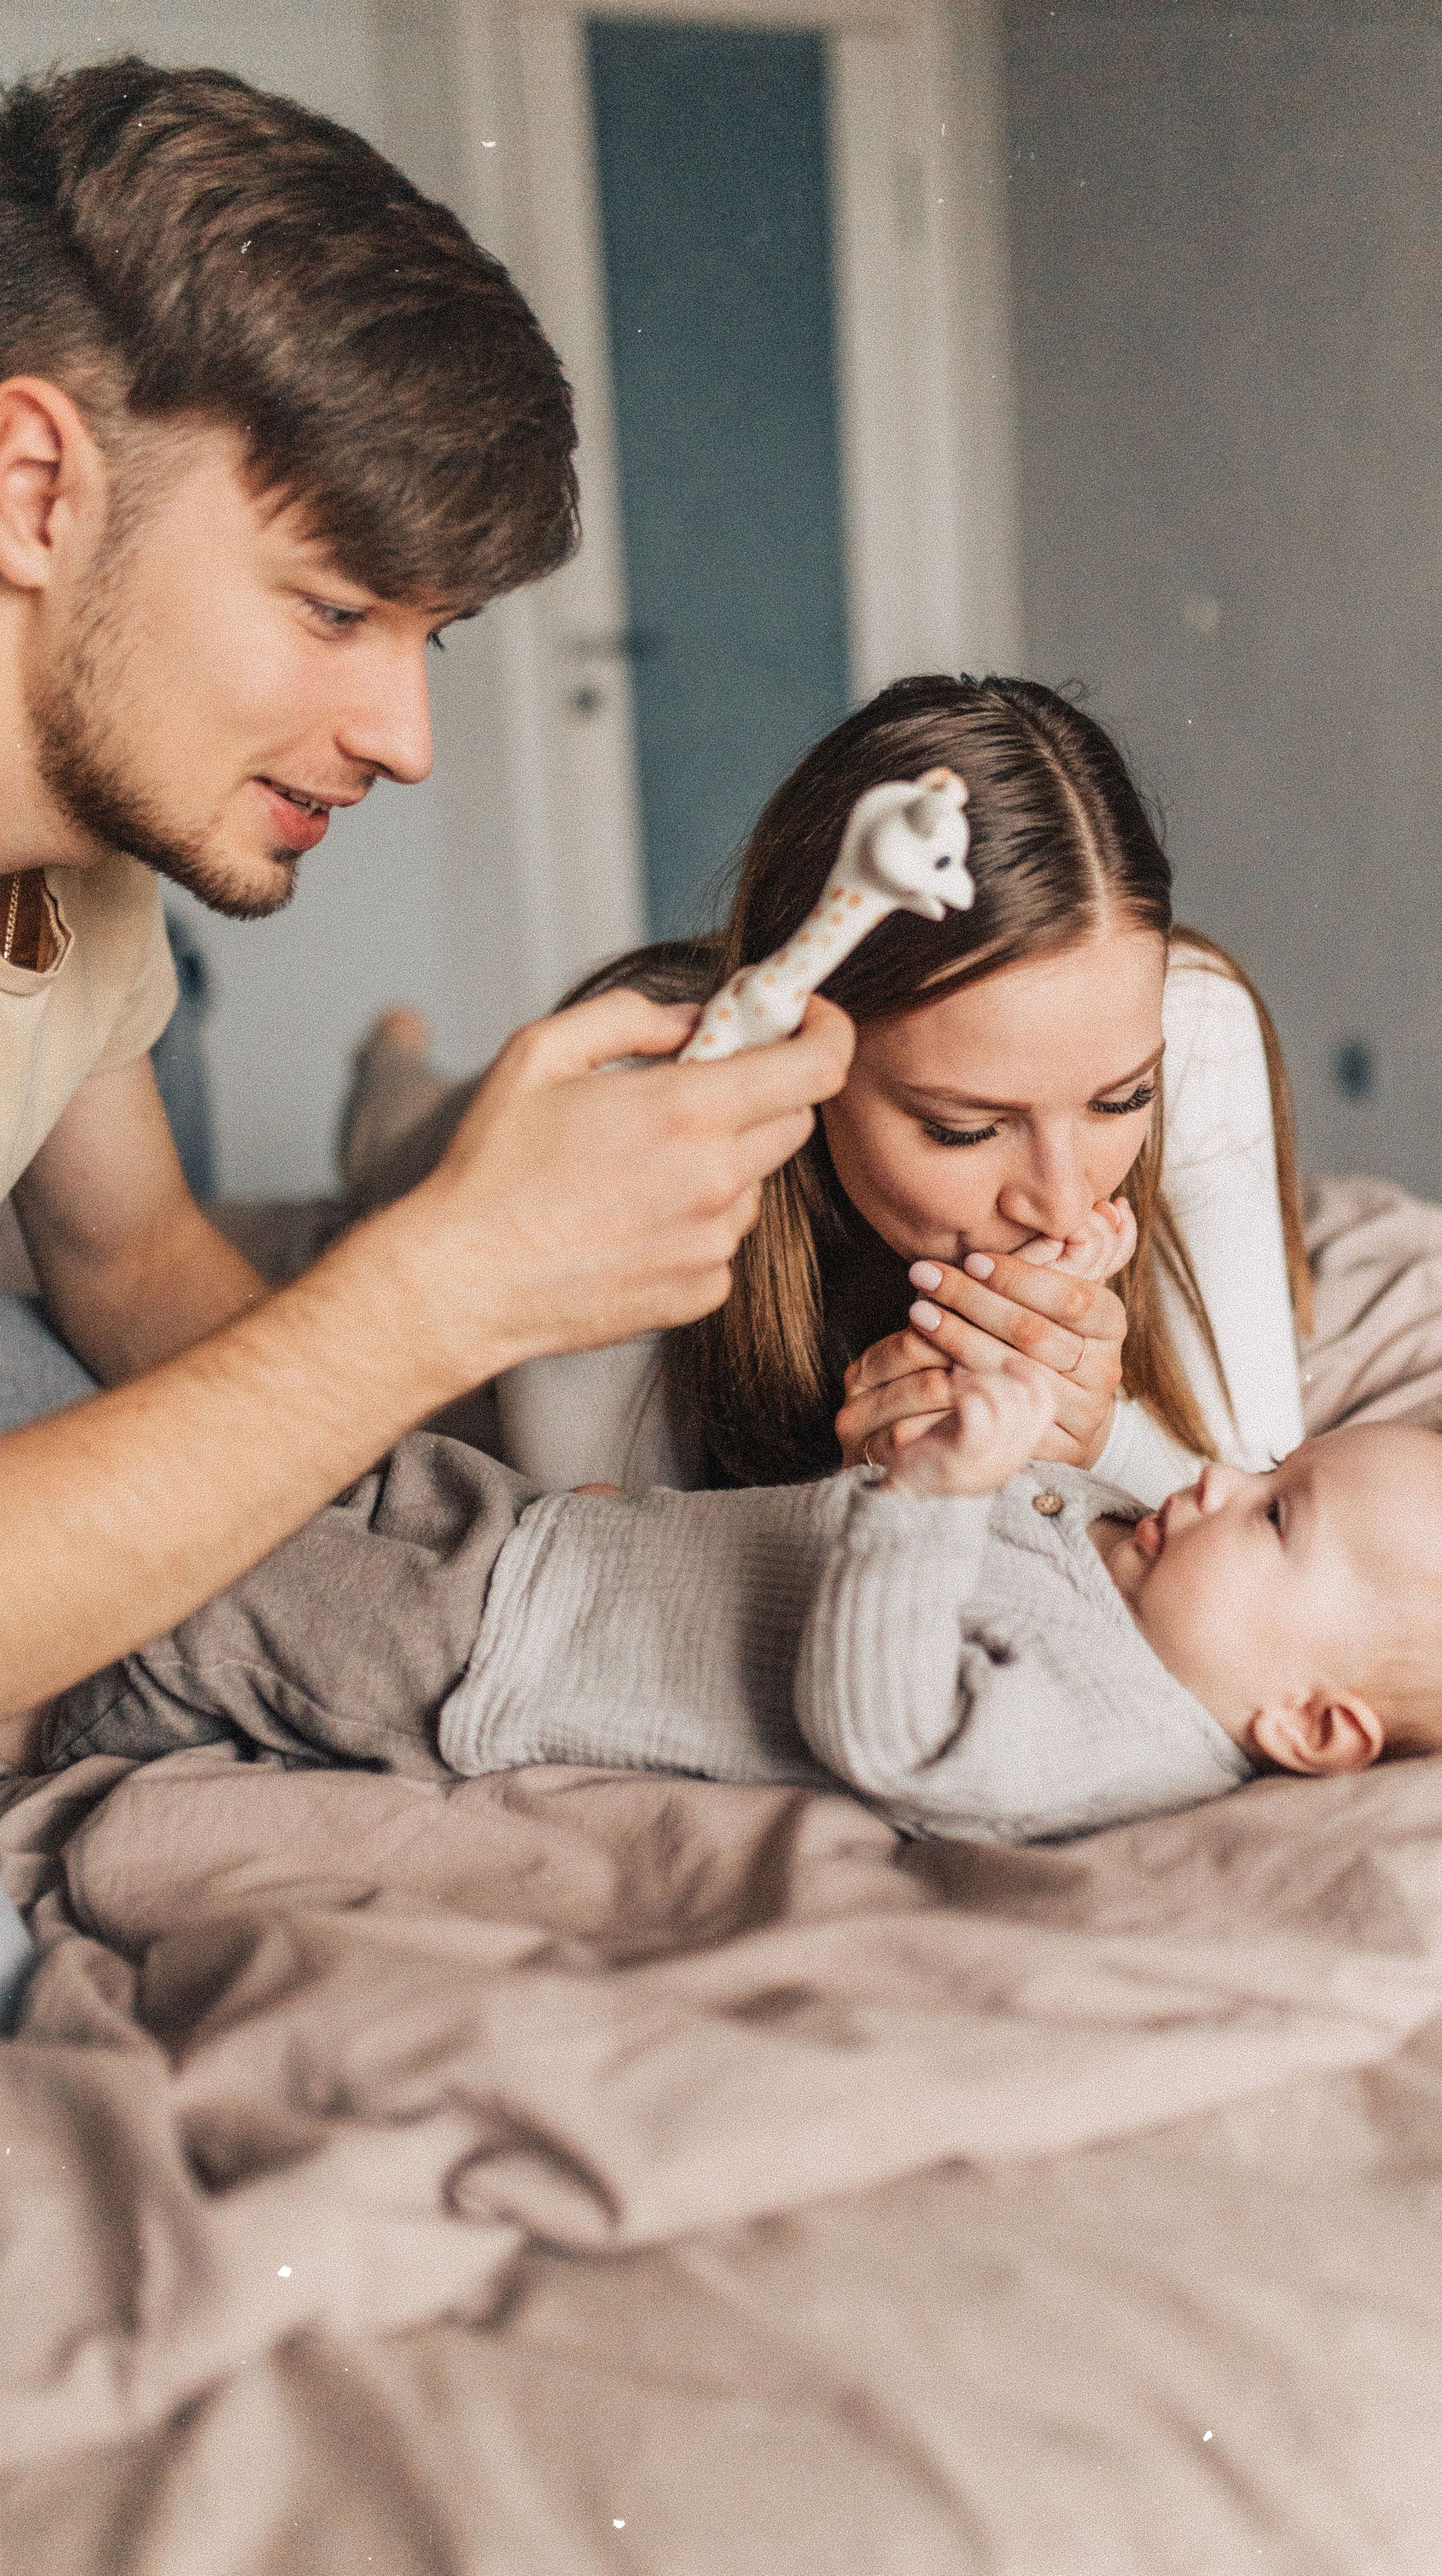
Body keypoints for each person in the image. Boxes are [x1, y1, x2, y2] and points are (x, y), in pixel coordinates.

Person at [0, 64, 849, 1989]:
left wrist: (516, 1505)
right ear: (35, 486)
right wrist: (437, 1290)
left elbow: (130, 1257)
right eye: (328, 612)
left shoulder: (82, 861)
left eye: (428, 639)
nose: (406, 740)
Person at [343, 676, 1313, 1505]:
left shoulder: (1195, 1026)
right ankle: (389, 1068)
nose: (1064, 1200)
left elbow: (1257, 1490)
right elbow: (599, 1526)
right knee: (404, 1145)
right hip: (473, 1131)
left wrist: (1099, 1439)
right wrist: (867, 1500)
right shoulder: (643, 1104)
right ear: (814, 1065)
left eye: (1118, 1103)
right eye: (963, 1128)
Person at [20, 1368, 1442, 1844]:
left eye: (1274, 1518)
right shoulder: (1170, 1587)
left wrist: (934, 1504)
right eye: (1270, 1468)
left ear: (1311, 1728)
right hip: (534, 1539)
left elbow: (889, 1728)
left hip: (492, 1653)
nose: (1215, 1488)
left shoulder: (1101, 1737)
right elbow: (1131, 1457)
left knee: (196, 1594)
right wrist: (1057, 1410)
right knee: (287, 1472)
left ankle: (40, 1731)